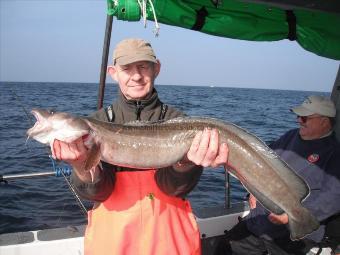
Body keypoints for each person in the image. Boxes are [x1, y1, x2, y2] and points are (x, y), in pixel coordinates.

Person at [52, 38, 229, 255]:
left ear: (157, 69)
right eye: (126, 68)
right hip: (113, 245)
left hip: (170, 243)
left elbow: (174, 189)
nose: (136, 76)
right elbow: (99, 193)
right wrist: (80, 165)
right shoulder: (97, 123)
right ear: (113, 72)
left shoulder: (180, 122)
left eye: (143, 67)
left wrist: (185, 162)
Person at [215, 95, 340, 255]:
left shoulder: (334, 153)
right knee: (224, 248)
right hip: (260, 221)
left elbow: (334, 198)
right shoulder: (290, 136)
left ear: (324, 121)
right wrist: (252, 191)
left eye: (304, 117)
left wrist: (291, 216)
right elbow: (260, 164)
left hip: (294, 234)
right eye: (298, 116)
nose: (298, 120)